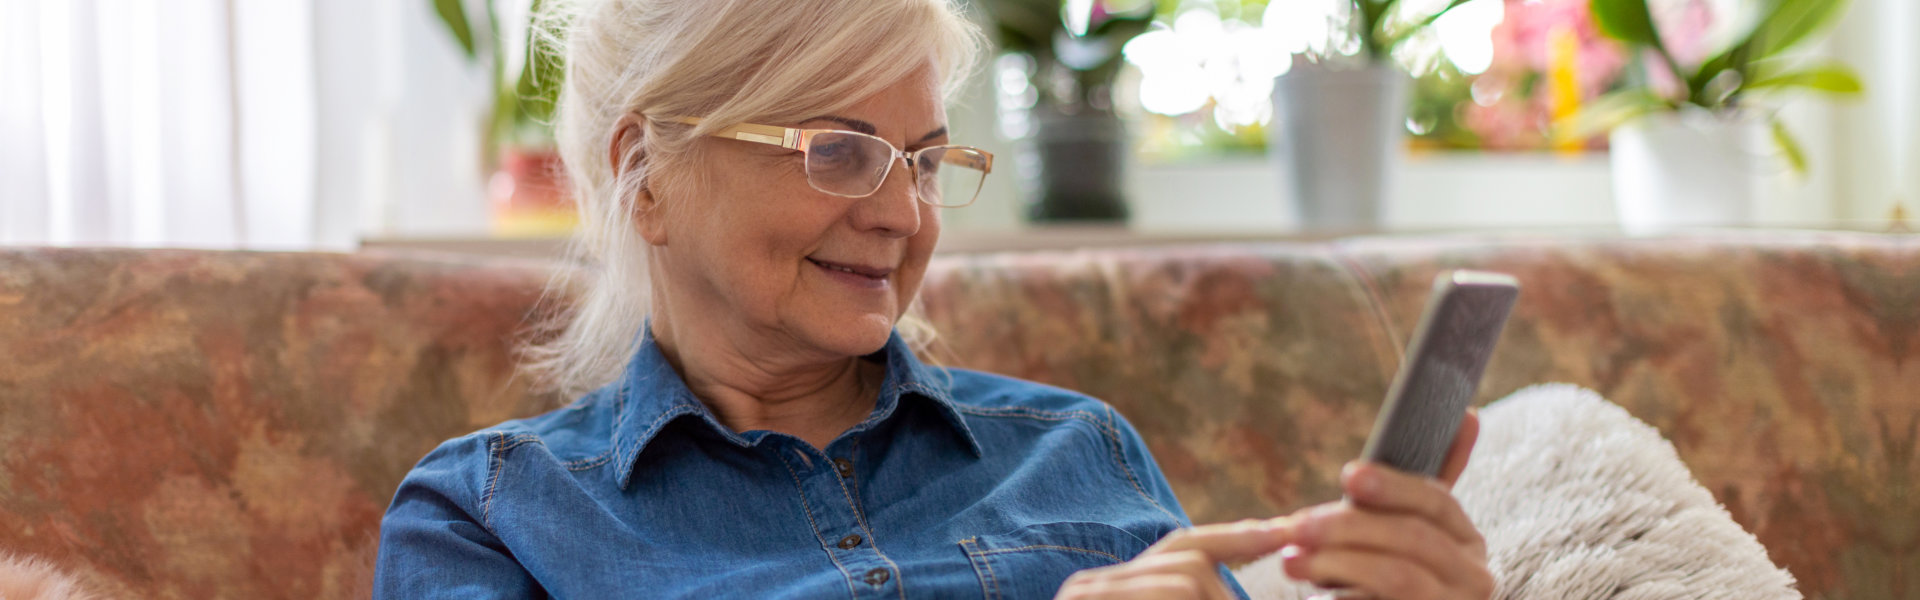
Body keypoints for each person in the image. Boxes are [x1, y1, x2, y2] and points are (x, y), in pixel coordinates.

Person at [373, 0, 1494, 598]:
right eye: (842, 151)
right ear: (644, 172)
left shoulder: (1077, 450)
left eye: (921, 160)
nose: (904, 215)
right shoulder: (491, 520)